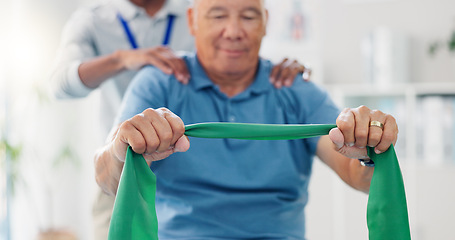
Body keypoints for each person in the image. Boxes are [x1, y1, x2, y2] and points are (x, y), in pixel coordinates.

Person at [94, 0, 398, 238]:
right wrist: (123, 147)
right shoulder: (158, 83)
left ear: (265, 22)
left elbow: (357, 173)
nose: (234, 30)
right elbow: (107, 176)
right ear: (192, 21)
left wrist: (370, 151)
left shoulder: (296, 89)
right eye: (217, 15)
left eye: (249, 17)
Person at [49, 0, 310, 238]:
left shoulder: (196, 9)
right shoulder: (94, 20)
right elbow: (60, 84)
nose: (230, 28)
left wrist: (277, 70)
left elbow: (230, 54)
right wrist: (123, 59)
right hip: (118, 158)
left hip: (179, 158)